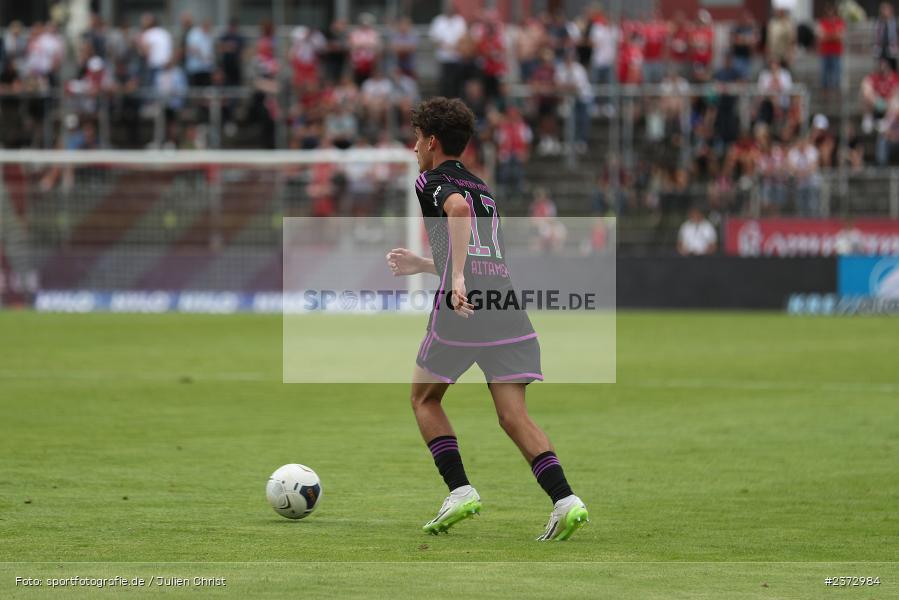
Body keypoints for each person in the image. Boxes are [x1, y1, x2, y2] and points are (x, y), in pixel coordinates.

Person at [384, 97, 588, 541]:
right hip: (504, 303)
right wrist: (424, 264)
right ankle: (565, 500)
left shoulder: (431, 180)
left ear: (432, 141)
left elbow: (457, 215)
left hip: (464, 306)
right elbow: (477, 252)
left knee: (424, 399)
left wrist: (454, 278)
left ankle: (460, 491)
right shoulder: (482, 186)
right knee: (514, 416)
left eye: (417, 138)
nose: (414, 146)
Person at [429, 4, 466, 98]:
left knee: (456, 84)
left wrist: (454, 46)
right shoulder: (438, 20)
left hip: (457, 59)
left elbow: (463, 38)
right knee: (443, 84)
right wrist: (444, 46)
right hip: (443, 59)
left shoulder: (460, 21)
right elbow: (434, 38)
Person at [817, 4, 845, 91]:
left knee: (837, 74)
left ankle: (836, 93)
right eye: (828, 12)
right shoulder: (822, 22)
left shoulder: (840, 22)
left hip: (836, 52)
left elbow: (840, 36)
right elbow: (821, 36)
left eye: (831, 11)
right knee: (824, 75)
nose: (830, 14)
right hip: (825, 52)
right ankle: (825, 93)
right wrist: (834, 34)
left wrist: (827, 35)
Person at [874, 1, 898, 71]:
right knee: (882, 69)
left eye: (886, 9)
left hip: (892, 49)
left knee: (893, 69)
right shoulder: (878, 22)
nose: (884, 11)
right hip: (881, 50)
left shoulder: (894, 22)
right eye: (883, 9)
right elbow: (876, 36)